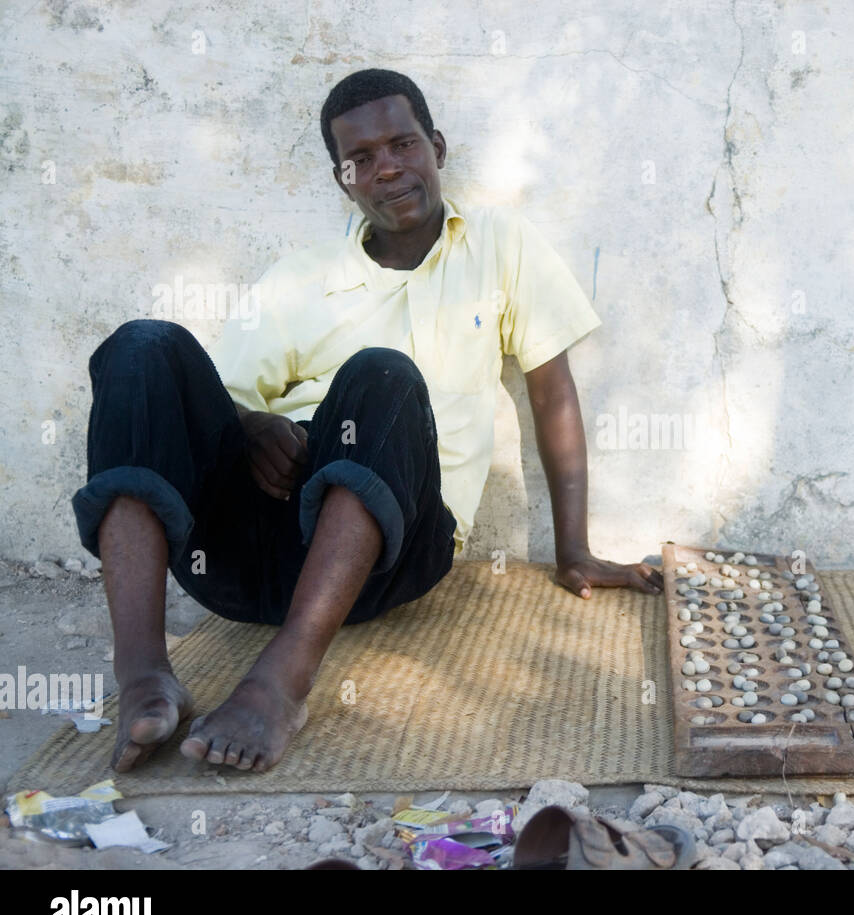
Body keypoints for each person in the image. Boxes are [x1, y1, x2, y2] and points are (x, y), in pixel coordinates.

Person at [72, 68, 663, 775]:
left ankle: (279, 685)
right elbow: (214, 404)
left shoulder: (501, 245)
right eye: (361, 159)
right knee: (141, 347)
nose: (386, 168)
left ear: (437, 148)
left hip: (391, 549)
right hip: (247, 553)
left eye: (402, 144)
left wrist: (575, 548)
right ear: (342, 179)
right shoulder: (302, 276)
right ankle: (144, 674)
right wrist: (258, 425)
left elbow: (553, 392)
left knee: (381, 372)